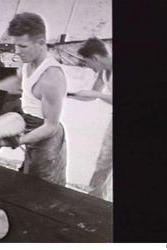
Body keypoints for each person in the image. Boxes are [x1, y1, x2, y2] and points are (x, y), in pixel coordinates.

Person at [0, 12, 68, 186]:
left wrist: (17, 141)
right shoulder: (28, 63)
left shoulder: (51, 78)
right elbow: (18, 79)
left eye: (23, 46)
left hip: (47, 137)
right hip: (29, 126)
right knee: (27, 179)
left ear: (41, 43)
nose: (16, 51)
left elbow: (51, 126)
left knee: (43, 189)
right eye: (15, 45)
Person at [69, 37, 112, 200]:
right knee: (104, 162)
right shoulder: (103, 72)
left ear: (95, 58)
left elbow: (96, 95)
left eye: (87, 62)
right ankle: (96, 199)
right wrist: (69, 94)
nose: (87, 66)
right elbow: (91, 96)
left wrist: (96, 94)